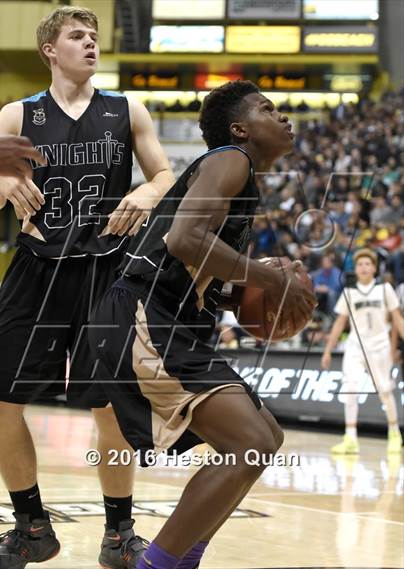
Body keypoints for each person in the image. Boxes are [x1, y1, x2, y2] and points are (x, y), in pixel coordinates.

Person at [88, 80, 317, 569]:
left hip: (167, 319)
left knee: (265, 438)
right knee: (249, 442)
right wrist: (270, 282)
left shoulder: (236, 175)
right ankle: (160, 565)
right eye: (268, 109)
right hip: (141, 316)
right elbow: (184, 239)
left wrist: (259, 299)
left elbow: (202, 272)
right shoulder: (230, 159)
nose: (283, 118)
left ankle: (180, 559)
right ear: (240, 129)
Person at [0, 6, 174, 569]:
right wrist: (5, 179)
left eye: (94, 36)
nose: (90, 44)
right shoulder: (17, 114)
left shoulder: (126, 109)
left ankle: (118, 534)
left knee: (110, 409)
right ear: (50, 49)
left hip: (106, 274)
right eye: (77, 36)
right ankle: (31, 527)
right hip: (37, 269)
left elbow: (165, 176)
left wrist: (147, 193)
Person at [321, 248, 404, 454]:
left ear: (375, 268)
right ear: (355, 269)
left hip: (380, 346)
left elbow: (397, 319)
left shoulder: (385, 289)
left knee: (384, 390)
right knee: (350, 388)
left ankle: (394, 433)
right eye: (360, 264)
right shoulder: (349, 293)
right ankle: (350, 438)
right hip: (355, 346)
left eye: (368, 264)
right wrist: (327, 351)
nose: (364, 267)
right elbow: (339, 324)